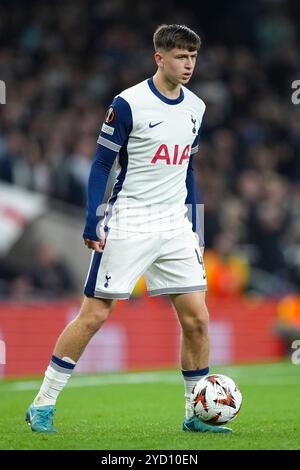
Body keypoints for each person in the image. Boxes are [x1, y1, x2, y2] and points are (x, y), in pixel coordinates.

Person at [26, 24, 232, 434]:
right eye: (179, 56)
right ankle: (43, 404)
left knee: (197, 320)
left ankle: (195, 412)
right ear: (159, 58)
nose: (188, 64)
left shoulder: (197, 107)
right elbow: (101, 164)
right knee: (94, 315)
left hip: (174, 225)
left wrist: (195, 223)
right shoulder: (128, 104)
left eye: (193, 56)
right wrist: (92, 218)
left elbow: (187, 167)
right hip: (130, 219)